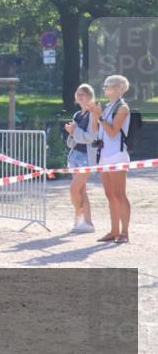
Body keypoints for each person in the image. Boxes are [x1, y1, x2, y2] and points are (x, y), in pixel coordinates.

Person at [91, 75, 133, 243]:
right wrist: (95, 115)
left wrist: (100, 117)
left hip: (117, 155)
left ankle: (125, 232)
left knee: (119, 194)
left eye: (107, 85)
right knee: (110, 194)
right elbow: (96, 130)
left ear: (118, 88)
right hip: (104, 156)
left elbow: (113, 132)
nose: (104, 88)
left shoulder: (122, 107)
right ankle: (114, 231)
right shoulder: (108, 106)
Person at [63, 84, 98, 234]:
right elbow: (72, 142)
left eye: (83, 94)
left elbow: (92, 137)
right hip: (75, 155)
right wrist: (71, 132)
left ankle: (79, 217)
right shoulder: (77, 115)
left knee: (74, 188)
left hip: (87, 157)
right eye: (78, 94)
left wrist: (74, 131)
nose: (80, 96)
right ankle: (87, 223)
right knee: (81, 190)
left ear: (90, 96)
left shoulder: (93, 114)